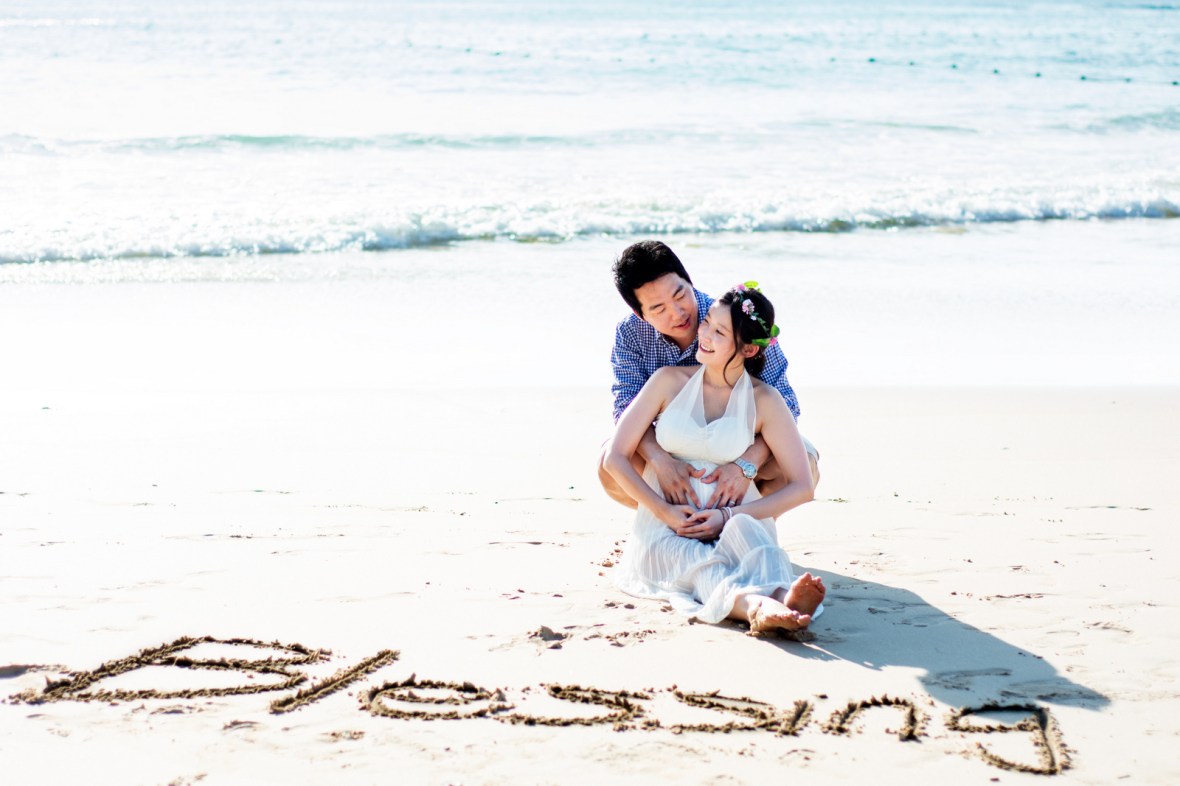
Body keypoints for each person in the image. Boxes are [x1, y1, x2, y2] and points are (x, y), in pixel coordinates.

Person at [604, 285, 825, 632]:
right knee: (695, 560)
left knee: (749, 540)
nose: (703, 334)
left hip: (734, 515)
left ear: (748, 348)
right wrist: (667, 514)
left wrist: (727, 516)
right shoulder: (667, 382)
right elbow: (614, 457)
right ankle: (758, 606)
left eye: (719, 332)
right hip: (668, 527)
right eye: (706, 323)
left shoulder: (765, 400)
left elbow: (802, 486)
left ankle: (782, 597)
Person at [598, 240, 819, 512]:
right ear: (639, 313)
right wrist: (659, 460)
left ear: (689, 280)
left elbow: (787, 406)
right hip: (673, 444)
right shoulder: (631, 333)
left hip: (736, 444)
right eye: (658, 309)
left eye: (680, 295)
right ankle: (663, 518)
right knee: (611, 461)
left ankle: (752, 524)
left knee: (803, 461)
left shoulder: (733, 318)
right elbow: (625, 408)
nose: (678, 314)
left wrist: (745, 465)